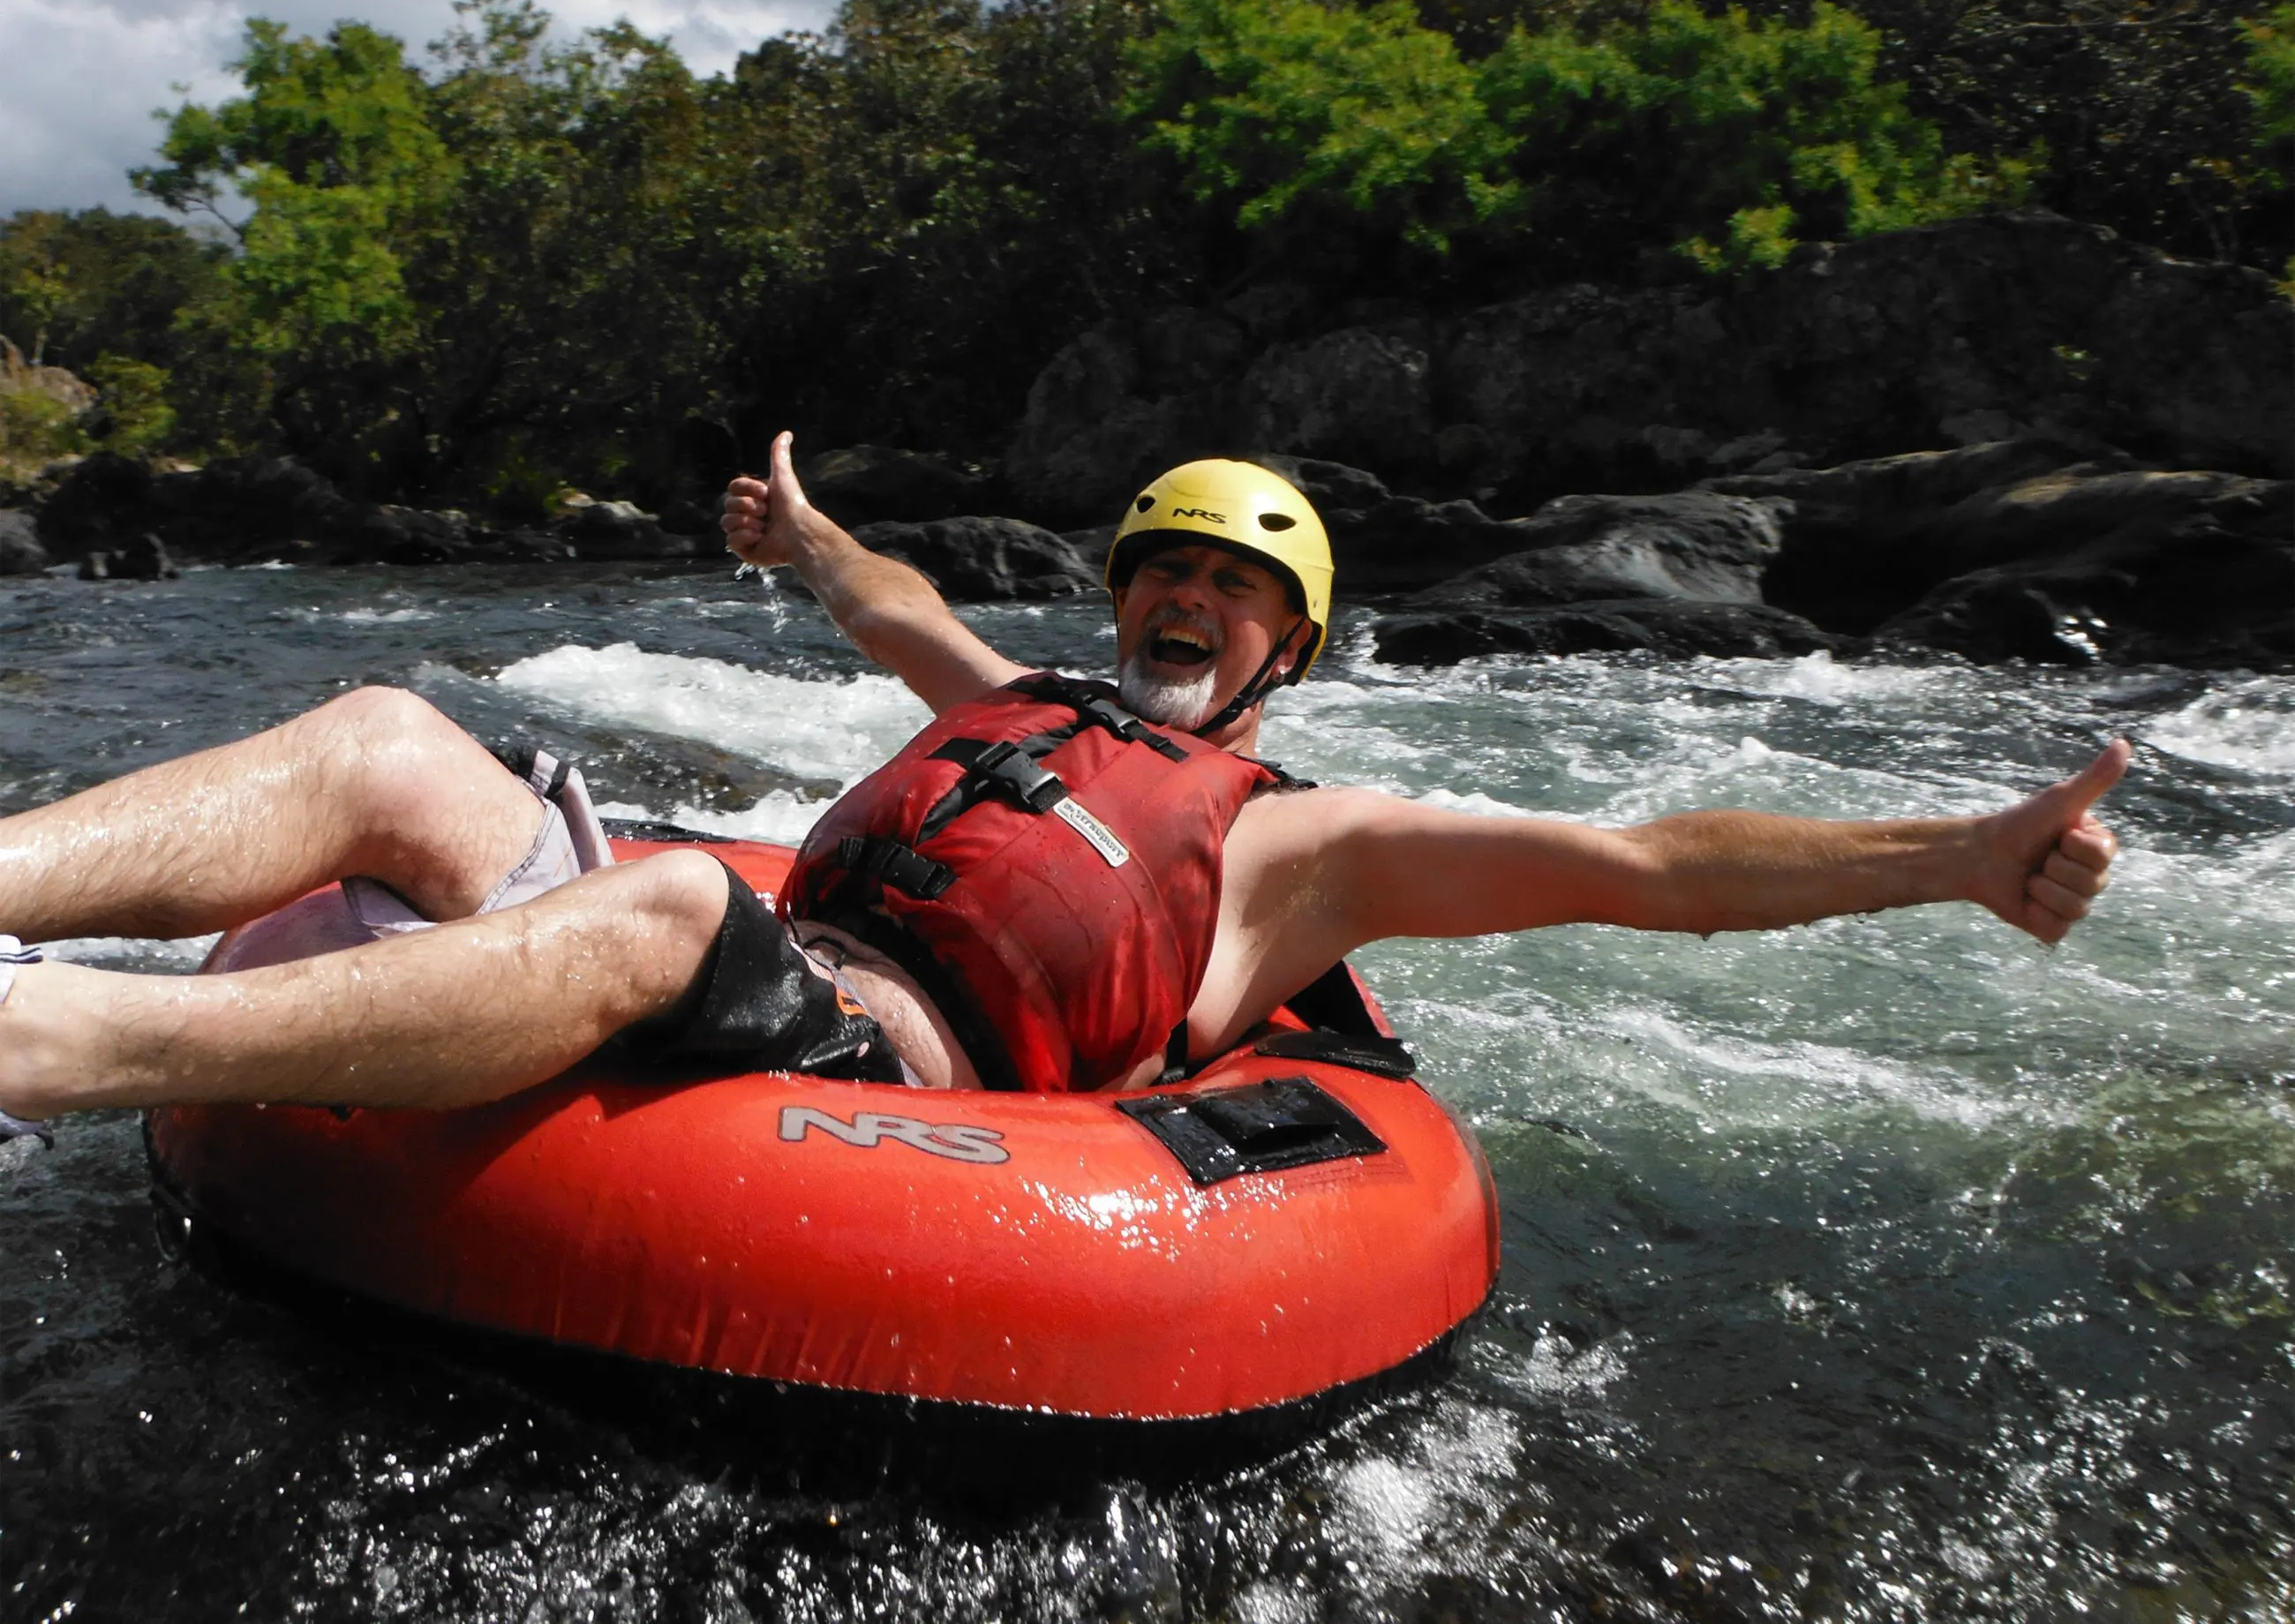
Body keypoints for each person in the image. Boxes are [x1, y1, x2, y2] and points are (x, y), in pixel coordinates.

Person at [0, 433, 2125, 1122]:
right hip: (731, 954)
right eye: (1162, 575)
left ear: (1284, 646)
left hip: (865, 1059)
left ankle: (58, 1042)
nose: (1184, 603)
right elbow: (896, 609)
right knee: (391, 736)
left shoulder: (1315, 846)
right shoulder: (1022, 693)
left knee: (661, 904)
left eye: (1229, 590)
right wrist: (812, 540)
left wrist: (1956, 854)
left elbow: (1655, 857)